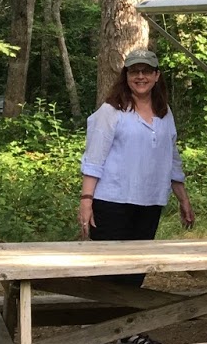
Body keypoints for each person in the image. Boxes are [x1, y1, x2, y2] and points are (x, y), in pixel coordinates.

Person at [78, 49, 195, 327]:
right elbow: (94, 159)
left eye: (146, 71)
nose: (140, 76)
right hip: (112, 202)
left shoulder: (164, 113)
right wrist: (86, 200)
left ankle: (126, 330)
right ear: (126, 76)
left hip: (150, 202)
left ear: (156, 76)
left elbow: (172, 157)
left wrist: (183, 199)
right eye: (134, 71)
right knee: (109, 271)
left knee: (135, 270)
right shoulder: (111, 112)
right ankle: (99, 333)